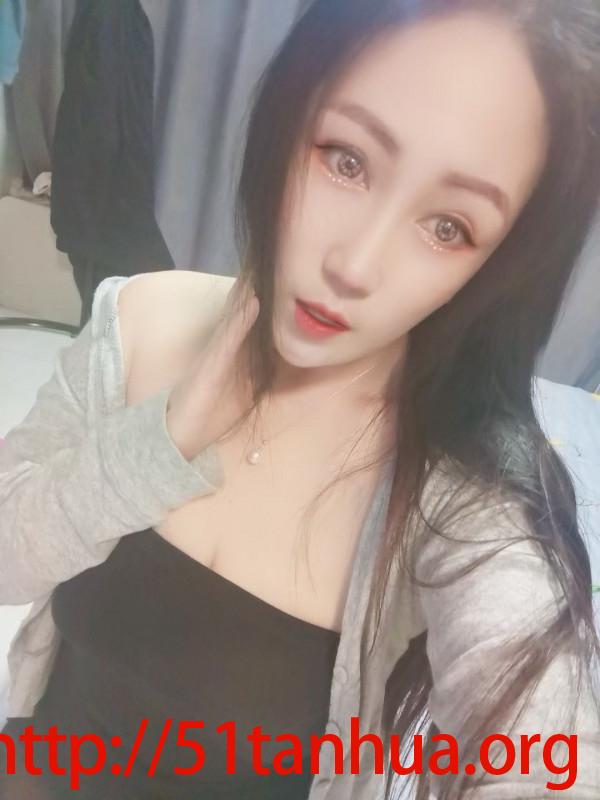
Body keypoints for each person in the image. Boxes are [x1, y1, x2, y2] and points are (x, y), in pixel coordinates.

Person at [1, 0, 599, 798]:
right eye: (346, 161)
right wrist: (158, 444)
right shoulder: (138, 318)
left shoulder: (462, 502)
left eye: (448, 227)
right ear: (289, 117)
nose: (355, 265)